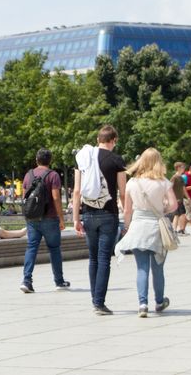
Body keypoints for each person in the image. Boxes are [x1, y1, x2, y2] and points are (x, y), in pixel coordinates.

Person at [115, 148, 178, 318]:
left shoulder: (132, 183)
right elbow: (174, 205)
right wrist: (161, 210)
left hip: (138, 226)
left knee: (141, 268)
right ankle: (159, 301)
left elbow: (127, 210)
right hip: (156, 227)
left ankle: (142, 304)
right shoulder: (163, 182)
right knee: (158, 268)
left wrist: (127, 228)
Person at [73, 125, 127, 314]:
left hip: (87, 213)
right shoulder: (117, 161)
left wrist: (75, 219)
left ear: (98, 140)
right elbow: (122, 192)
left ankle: (94, 299)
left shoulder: (84, 159)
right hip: (108, 214)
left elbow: (77, 190)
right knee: (104, 258)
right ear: (114, 140)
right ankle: (99, 302)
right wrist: (127, 214)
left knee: (93, 258)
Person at [20, 148, 70, 294]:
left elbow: (25, 197)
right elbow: (56, 198)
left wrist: (27, 215)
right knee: (54, 249)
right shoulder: (53, 175)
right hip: (50, 218)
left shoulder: (28, 175)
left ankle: (26, 281)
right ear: (50, 160)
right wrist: (61, 218)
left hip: (32, 218)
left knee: (31, 247)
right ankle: (59, 281)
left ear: (37, 159)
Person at [170, 162, 188, 234]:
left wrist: (188, 197)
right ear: (178, 168)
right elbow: (169, 187)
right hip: (176, 199)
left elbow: (184, 189)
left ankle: (180, 229)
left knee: (180, 214)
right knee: (178, 214)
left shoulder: (181, 178)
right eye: (182, 167)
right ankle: (175, 229)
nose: (184, 168)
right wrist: (171, 198)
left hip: (181, 199)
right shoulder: (174, 177)